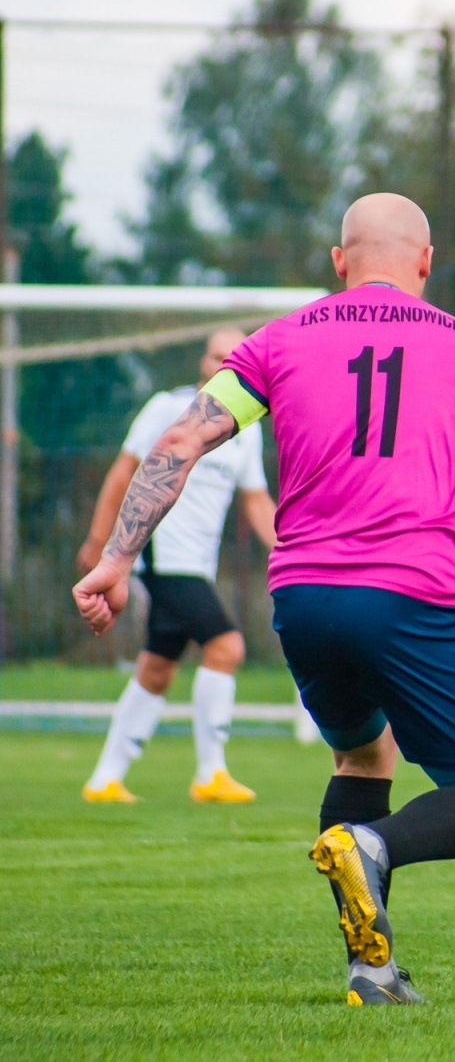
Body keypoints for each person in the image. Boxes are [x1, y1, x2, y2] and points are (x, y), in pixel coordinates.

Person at [73, 192, 455, 1007]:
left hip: (302, 599)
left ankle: (370, 970)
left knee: (365, 757)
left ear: (340, 262)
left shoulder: (279, 340)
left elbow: (178, 442)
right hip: (412, 596)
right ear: (426, 262)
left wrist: (117, 560)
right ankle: (373, 845)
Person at [80, 329, 278, 805]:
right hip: (163, 555)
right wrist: (98, 541)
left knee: (157, 668)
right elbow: (124, 473)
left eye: (232, 359)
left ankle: (104, 780)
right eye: (216, 357)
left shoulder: (245, 429)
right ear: (201, 361)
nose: (222, 366)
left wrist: (289, 550)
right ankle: (212, 773)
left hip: (198, 565)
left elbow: (256, 502)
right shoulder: (166, 408)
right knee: (226, 646)